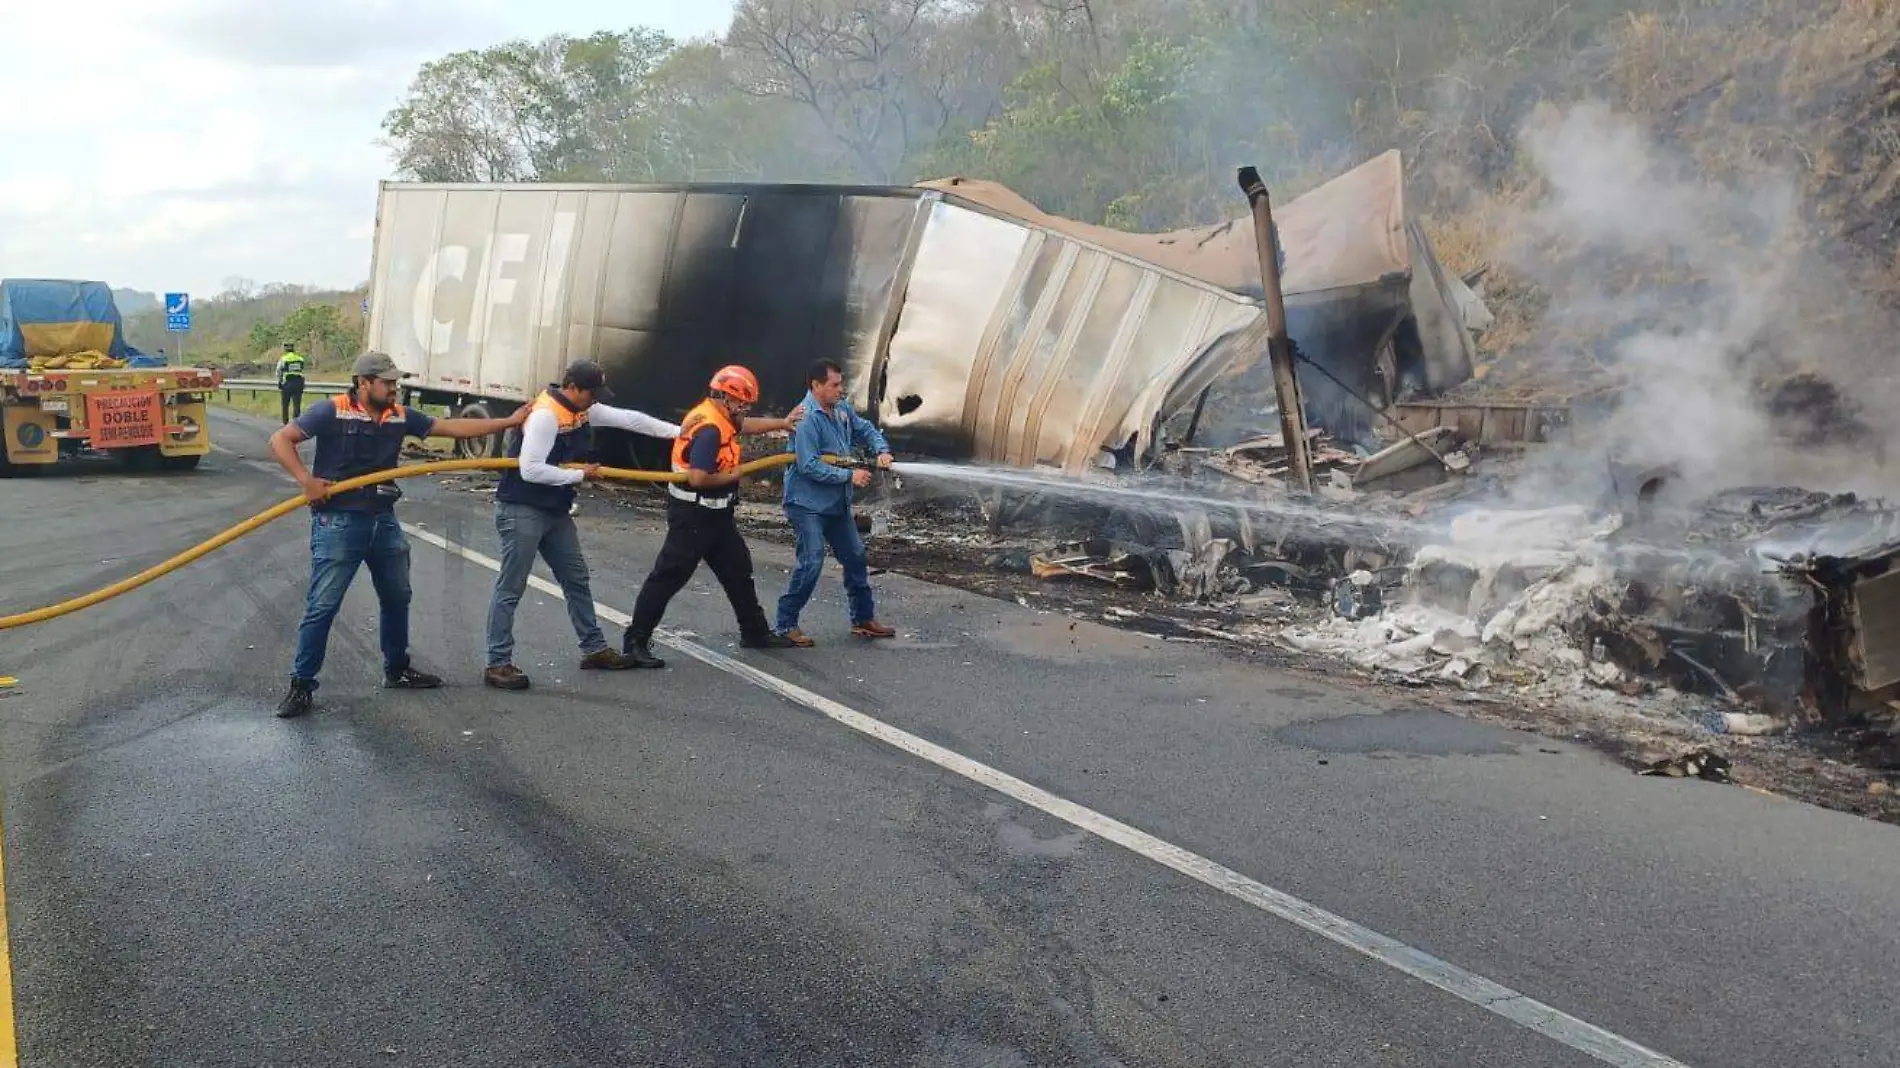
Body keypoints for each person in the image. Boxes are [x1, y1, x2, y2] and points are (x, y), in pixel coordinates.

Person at [268, 351, 529, 719]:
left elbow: (451, 428)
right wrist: (305, 481)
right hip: (339, 522)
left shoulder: (398, 415)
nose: (394, 388)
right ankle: (302, 684)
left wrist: (510, 421)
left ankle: (397, 668)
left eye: (395, 382)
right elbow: (280, 439)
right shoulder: (331, 410)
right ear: (363, 383)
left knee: (397, 596)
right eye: (387, 382)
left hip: (383, 519)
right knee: (323, 605)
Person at [483, 360, 682, 690]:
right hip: (523, 508)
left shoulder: (582, 410)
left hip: (555, 510)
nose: (595, 400)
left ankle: (594, 649)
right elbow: (530, 469)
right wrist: (579, 475)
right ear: (573, 387)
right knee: (511, 586)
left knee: (576, 578)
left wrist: (680, 432)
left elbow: (630, 420)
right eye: (592, 393)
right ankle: (498, 662)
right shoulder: (547, 415)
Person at [619, 365, 806, 667]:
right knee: (668, 577)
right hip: (694, 516)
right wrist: (734, 474)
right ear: (725, 398)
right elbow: (698, 478)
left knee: (738, 570)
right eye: (742, 403)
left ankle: (754, 632)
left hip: (716, 516)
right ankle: (636, 642)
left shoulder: (717, 415)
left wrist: (782, 423)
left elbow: (744, 426)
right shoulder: (709, 429)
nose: (745, 409)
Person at [773, 359, 897, 646]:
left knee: (855, 556)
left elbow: (865, 429)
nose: (840, 390)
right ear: (816, 386)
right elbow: (808, 466)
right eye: (834, 385)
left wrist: (881, 450)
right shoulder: (806, 419)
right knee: (812, 561)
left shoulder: (840, 410)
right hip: (807, 505)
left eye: (841, 384)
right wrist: (848, 476)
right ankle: (785, 624)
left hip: (835, 505)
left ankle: (863, 619)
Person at [276, 343, 307, 423]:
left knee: (285, 403)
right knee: (297, 404)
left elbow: (278, 371)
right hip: (298, 382)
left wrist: (279, 381)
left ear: (285, 350)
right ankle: (296, 422)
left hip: (288, 382)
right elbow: (302, 370)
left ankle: (285, 422)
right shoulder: (300, 358)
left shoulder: (284, 359)